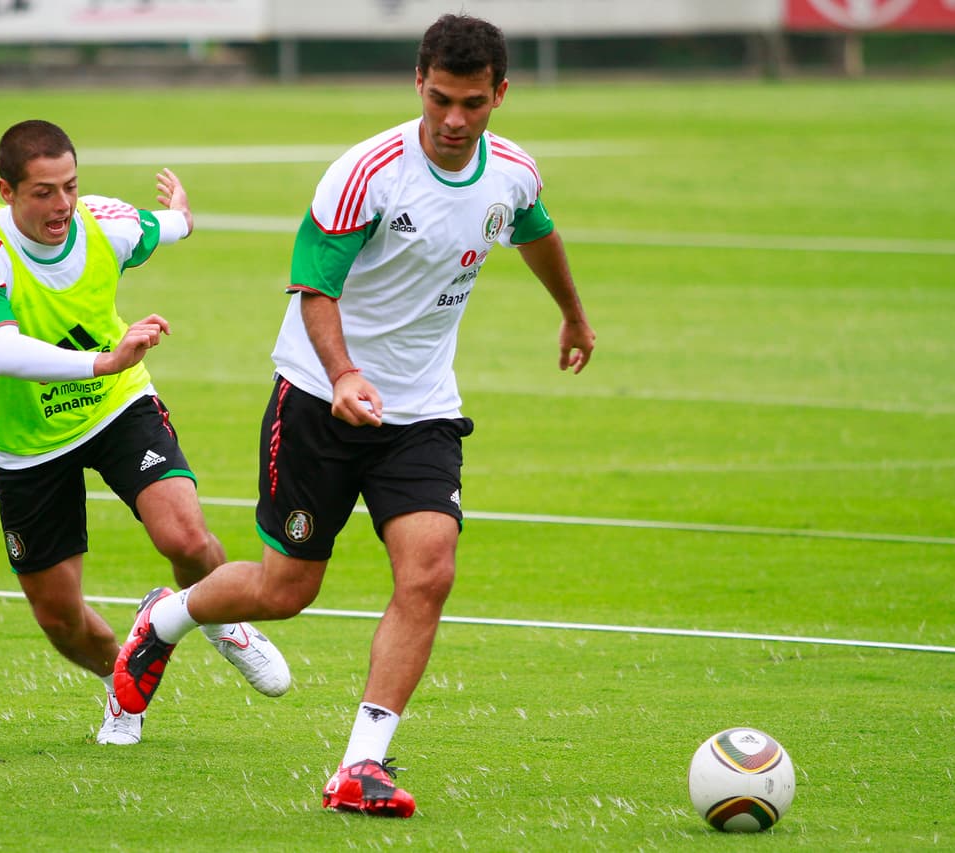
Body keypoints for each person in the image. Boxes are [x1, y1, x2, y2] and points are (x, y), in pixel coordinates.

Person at [114, 12, 595, 815]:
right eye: (440, 98)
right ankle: (166, 618)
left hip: (423, 409)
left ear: (500, 94)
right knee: (285, 589)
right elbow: (315, 285)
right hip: (317, 398)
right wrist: (342, 375)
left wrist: (573, 315)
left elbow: (536, 232)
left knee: (430, 570)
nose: (452, 119)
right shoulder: (367, 171)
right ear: (418, 82)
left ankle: (361, 765)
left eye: (472, 103)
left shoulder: (512, 172)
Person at [0, 119, 290, 747]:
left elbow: (168, 226)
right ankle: (124, 682)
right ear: (6, 190)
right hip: (28, 437)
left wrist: (181, 214)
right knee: (59, 618)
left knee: (185, 535)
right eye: (43, 192)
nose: (62, 206)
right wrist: (102, 360)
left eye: (70, 187)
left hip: (116, 404)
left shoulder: (107, 222)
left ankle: (223, 622)